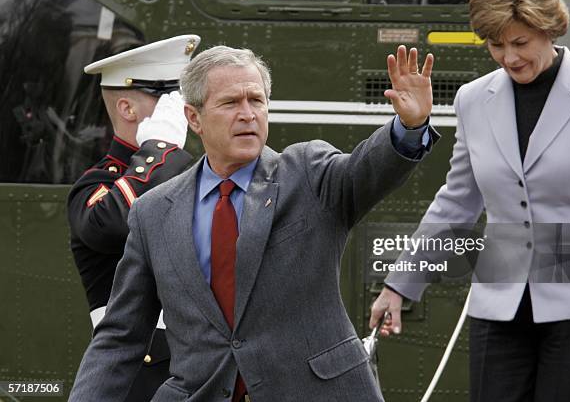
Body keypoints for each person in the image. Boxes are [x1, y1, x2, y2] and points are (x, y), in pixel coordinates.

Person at [67, 44, 438, 401]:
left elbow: (366, 170)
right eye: (230, 103)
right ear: (193, 118)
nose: (247, 113)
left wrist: (409, 126)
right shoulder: (154, 212)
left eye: (256, 100)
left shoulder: (308, 173)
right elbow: (120, 336)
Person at [370, 0, 570, 402]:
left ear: (550, 28)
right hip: (498, 305)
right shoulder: (473, 99)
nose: (509, 57)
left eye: (519, 42)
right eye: (496, 45)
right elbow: (457, 202)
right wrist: (400, 282)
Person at [67, 35, 200, 401]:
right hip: (139, 375)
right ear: (127, 108)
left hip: (202, 365)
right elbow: (107, 224)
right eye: (168, 96)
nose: (183, 108)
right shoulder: (98, 185)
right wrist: (157, 150)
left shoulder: (196, 174)